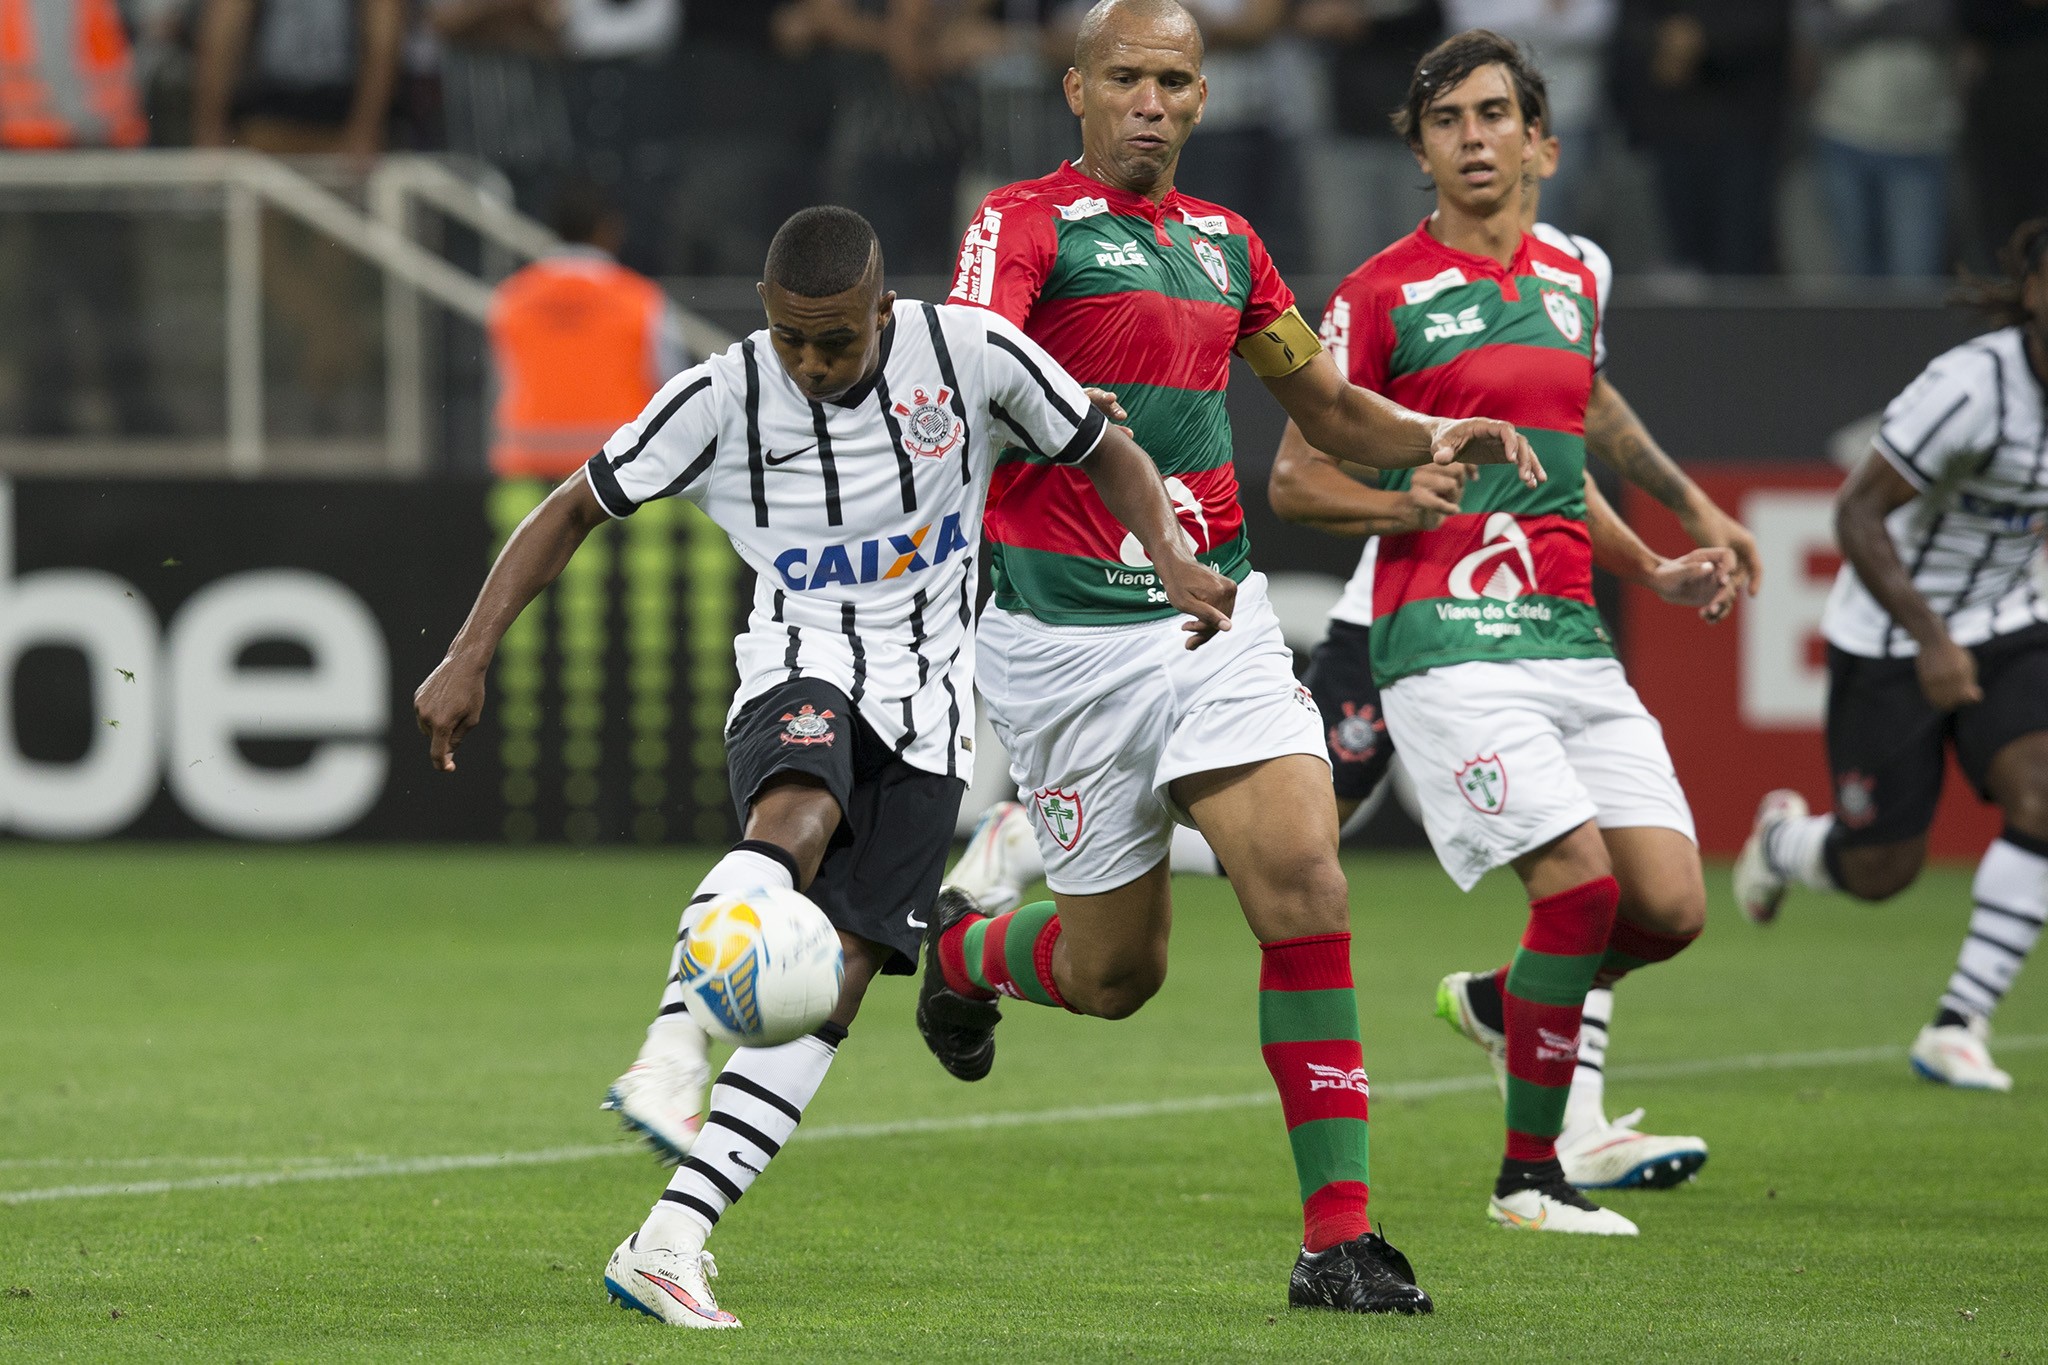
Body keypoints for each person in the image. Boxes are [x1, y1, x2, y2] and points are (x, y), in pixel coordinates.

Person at [414, 205, 1231, 1329]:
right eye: (790, 338)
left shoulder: (972, 355)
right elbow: (571, 508)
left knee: (830, 989)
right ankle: (666, 1053)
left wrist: (1172, 557)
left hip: (933, 714)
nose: (809, 362)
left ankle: (670, 1238)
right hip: (799, 662)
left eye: (833, 341)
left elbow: (1109, 450)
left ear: (880, 310)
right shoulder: (719, 394)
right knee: (794, 816)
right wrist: (468, 655)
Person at [930, 0, 1544, 1314]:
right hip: (1065, 640)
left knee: (1305, 877)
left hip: (1215, 620)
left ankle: (1340, 1238)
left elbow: (1320, 400)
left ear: (1203, 100)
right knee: (1116, 976)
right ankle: (964, 957)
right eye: (1128, 78)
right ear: (1077, 90)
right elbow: (979, 365)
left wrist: (1429, 439)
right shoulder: (1023, 222)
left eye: (1176, 80)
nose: (1152, 100)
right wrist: (1078, 441)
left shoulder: (1228, 246)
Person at [1280, 29, 1736, 1235]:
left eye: (1493, 115)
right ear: (1420, 150)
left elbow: (1565, 448)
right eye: (1446, 121)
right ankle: (1528, 1178)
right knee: (1578, 894)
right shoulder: (1376, 294)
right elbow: (1291, 477)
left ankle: (1501, 1003)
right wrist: (1398, 495)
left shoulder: (1574, 276)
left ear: (1539, 140)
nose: (1472, 137)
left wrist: (1654, 558)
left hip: (1572, 638)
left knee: (1672, 908)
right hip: (1444, 641)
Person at [1734, 218, 2048, 1093]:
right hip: (1891, 634)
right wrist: (1933, 638)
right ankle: (1786, 841)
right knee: (1883, 869)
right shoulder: (1972, 386)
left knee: (2044, 793)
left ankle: (1959, 1022)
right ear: (2033, 291)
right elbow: (1856, 514)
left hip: (2012, 619)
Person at [0, 0, 171, 438]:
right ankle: (65, 411)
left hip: (77, 154)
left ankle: (96, 410)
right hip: (55, 154)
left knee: (86, 289)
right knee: (71, 291)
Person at [486, 180, 685, 481]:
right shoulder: (643, 301)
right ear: (608, 229)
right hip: (618, 470)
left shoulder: (510, 299)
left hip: (529, 473)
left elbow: (502, 384)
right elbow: (674, 392)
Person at [1799, 0, 1960, 278]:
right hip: (1843, 131)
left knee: (1915, 281)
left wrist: (1859, 23)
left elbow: (1938, 16)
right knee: (1854, 282)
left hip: (1919, 139)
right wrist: (1897, 16)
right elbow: (1820, 25)